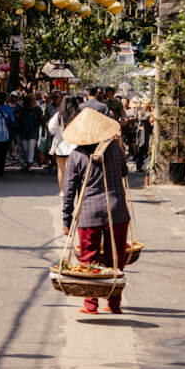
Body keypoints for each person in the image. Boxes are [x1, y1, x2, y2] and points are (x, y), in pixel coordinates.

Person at [61, 108, 130, 315]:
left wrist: (66, 219)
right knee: (115, 260)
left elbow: (69, 191)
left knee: (89, 260)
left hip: (89, 214)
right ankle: (114, 303)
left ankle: (91, 304)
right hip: (117, 210)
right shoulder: (115, 149)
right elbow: (125, 172)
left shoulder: (76, 156)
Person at [48, 94, 79, 197]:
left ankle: (62, 191)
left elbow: (51, 129)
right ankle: (72, 190)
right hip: (75, 147)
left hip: (61, 147)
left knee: (61, 169)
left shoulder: (59, 115)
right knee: (73, 171)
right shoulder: (79, 115)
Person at [18, 93, 42, 172]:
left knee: (31, 149)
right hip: (25, 131)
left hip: (33, 131)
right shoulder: (24, 109)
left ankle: (29, 165)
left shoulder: (38, 109)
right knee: (25, 149)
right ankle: (27, 163)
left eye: (32, 100)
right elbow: (20, 119)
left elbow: (41, 119)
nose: (31, 102)